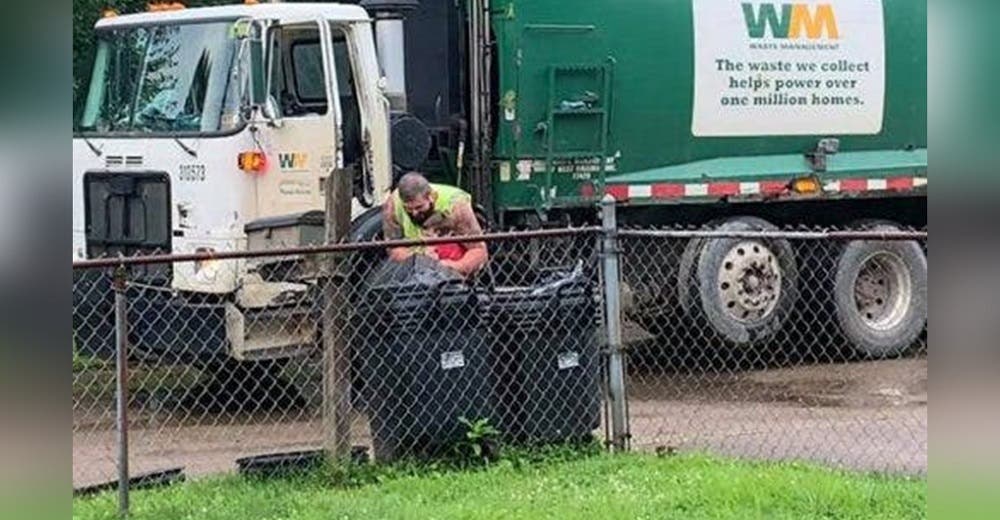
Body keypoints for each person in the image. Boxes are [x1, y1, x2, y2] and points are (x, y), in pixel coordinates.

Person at [381, 172, 488, 278]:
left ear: (432, 197)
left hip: (453, 271)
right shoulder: (392, 204)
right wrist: (420, 260)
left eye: (419, 207)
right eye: (408, 209)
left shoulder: (456, 205)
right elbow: (393, 249)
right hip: (414, 272)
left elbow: (479, 251)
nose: (414, 213)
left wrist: (451, 267)